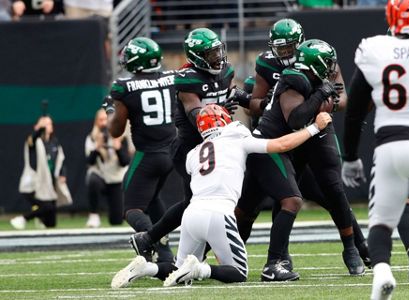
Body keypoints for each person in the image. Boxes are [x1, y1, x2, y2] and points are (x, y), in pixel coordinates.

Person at [111, 104, 333, 288]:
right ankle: (200, 269)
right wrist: (315, 127)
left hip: (191, 215)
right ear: (225, 120)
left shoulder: (194, 153)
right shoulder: (237, 136)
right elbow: (281, 144)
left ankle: (147, 268)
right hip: (218, 214)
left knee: (179, 272)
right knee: (238, 273)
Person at [234, 18, 367, 278]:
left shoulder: (318, 57)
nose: (283, 55)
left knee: (331, 188)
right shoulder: (283, 73)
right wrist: (298, 98)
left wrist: (323, 100)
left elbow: (342, 100)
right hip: (285, 134)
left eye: (288, 49)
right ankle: (276, 258)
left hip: (314, 131)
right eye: (279, 49)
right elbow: (268, 106)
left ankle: (355, 247)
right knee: (283, 196)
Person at [341, 0, 409, 298]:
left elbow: (354, 112)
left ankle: (383, 271)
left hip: (392, 145)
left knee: (381, 221)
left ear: (391, 17)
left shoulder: (376, 49)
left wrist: (349, 157)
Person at [128, 28, 238, 261]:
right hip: (190, 148)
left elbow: (231, 95)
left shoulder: (226, 71)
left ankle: (151, 240)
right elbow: (194, 112)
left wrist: (240, 101)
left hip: (216, 146)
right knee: (197, 202)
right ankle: (157, 242)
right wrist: (217, 115)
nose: (218, 58)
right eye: (211, 54)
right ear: (197, 57)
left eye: (218, 51)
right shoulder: (186, 78)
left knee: (203, 202)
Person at [105, 37, 177, 263]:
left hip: (149, 154)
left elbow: (115, 131)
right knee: (153, 199)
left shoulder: (124, 87)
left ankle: (150, 241)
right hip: (172, 152)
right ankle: (166, 257)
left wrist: (109, 110)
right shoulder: (173, 79)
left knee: (132, 208)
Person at [11, 115, 72, 229]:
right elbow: (32, 140)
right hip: (34, 185)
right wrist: (40, 129)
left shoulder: (55, 143)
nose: (46, 126)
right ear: (36, 127)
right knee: (47, 207)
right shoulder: (33, 141)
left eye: (49, 124)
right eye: (44, 124)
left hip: (49, 186)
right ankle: (23, 219)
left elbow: (60, 160)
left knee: (51, 223)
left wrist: (62, 174)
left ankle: (40, 217)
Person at [85, 108, 130, 228]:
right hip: (101, 177)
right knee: (92, 179)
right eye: (100, 120)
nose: (104, 123)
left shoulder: (120, 136)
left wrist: (118, 148)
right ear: (96, 122)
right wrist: (97, 148)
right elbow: (89, 162)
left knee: (116, 221)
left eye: (106, 119)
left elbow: (125, 162)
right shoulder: (91, 137)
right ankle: (93, 215)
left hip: (116, 179)